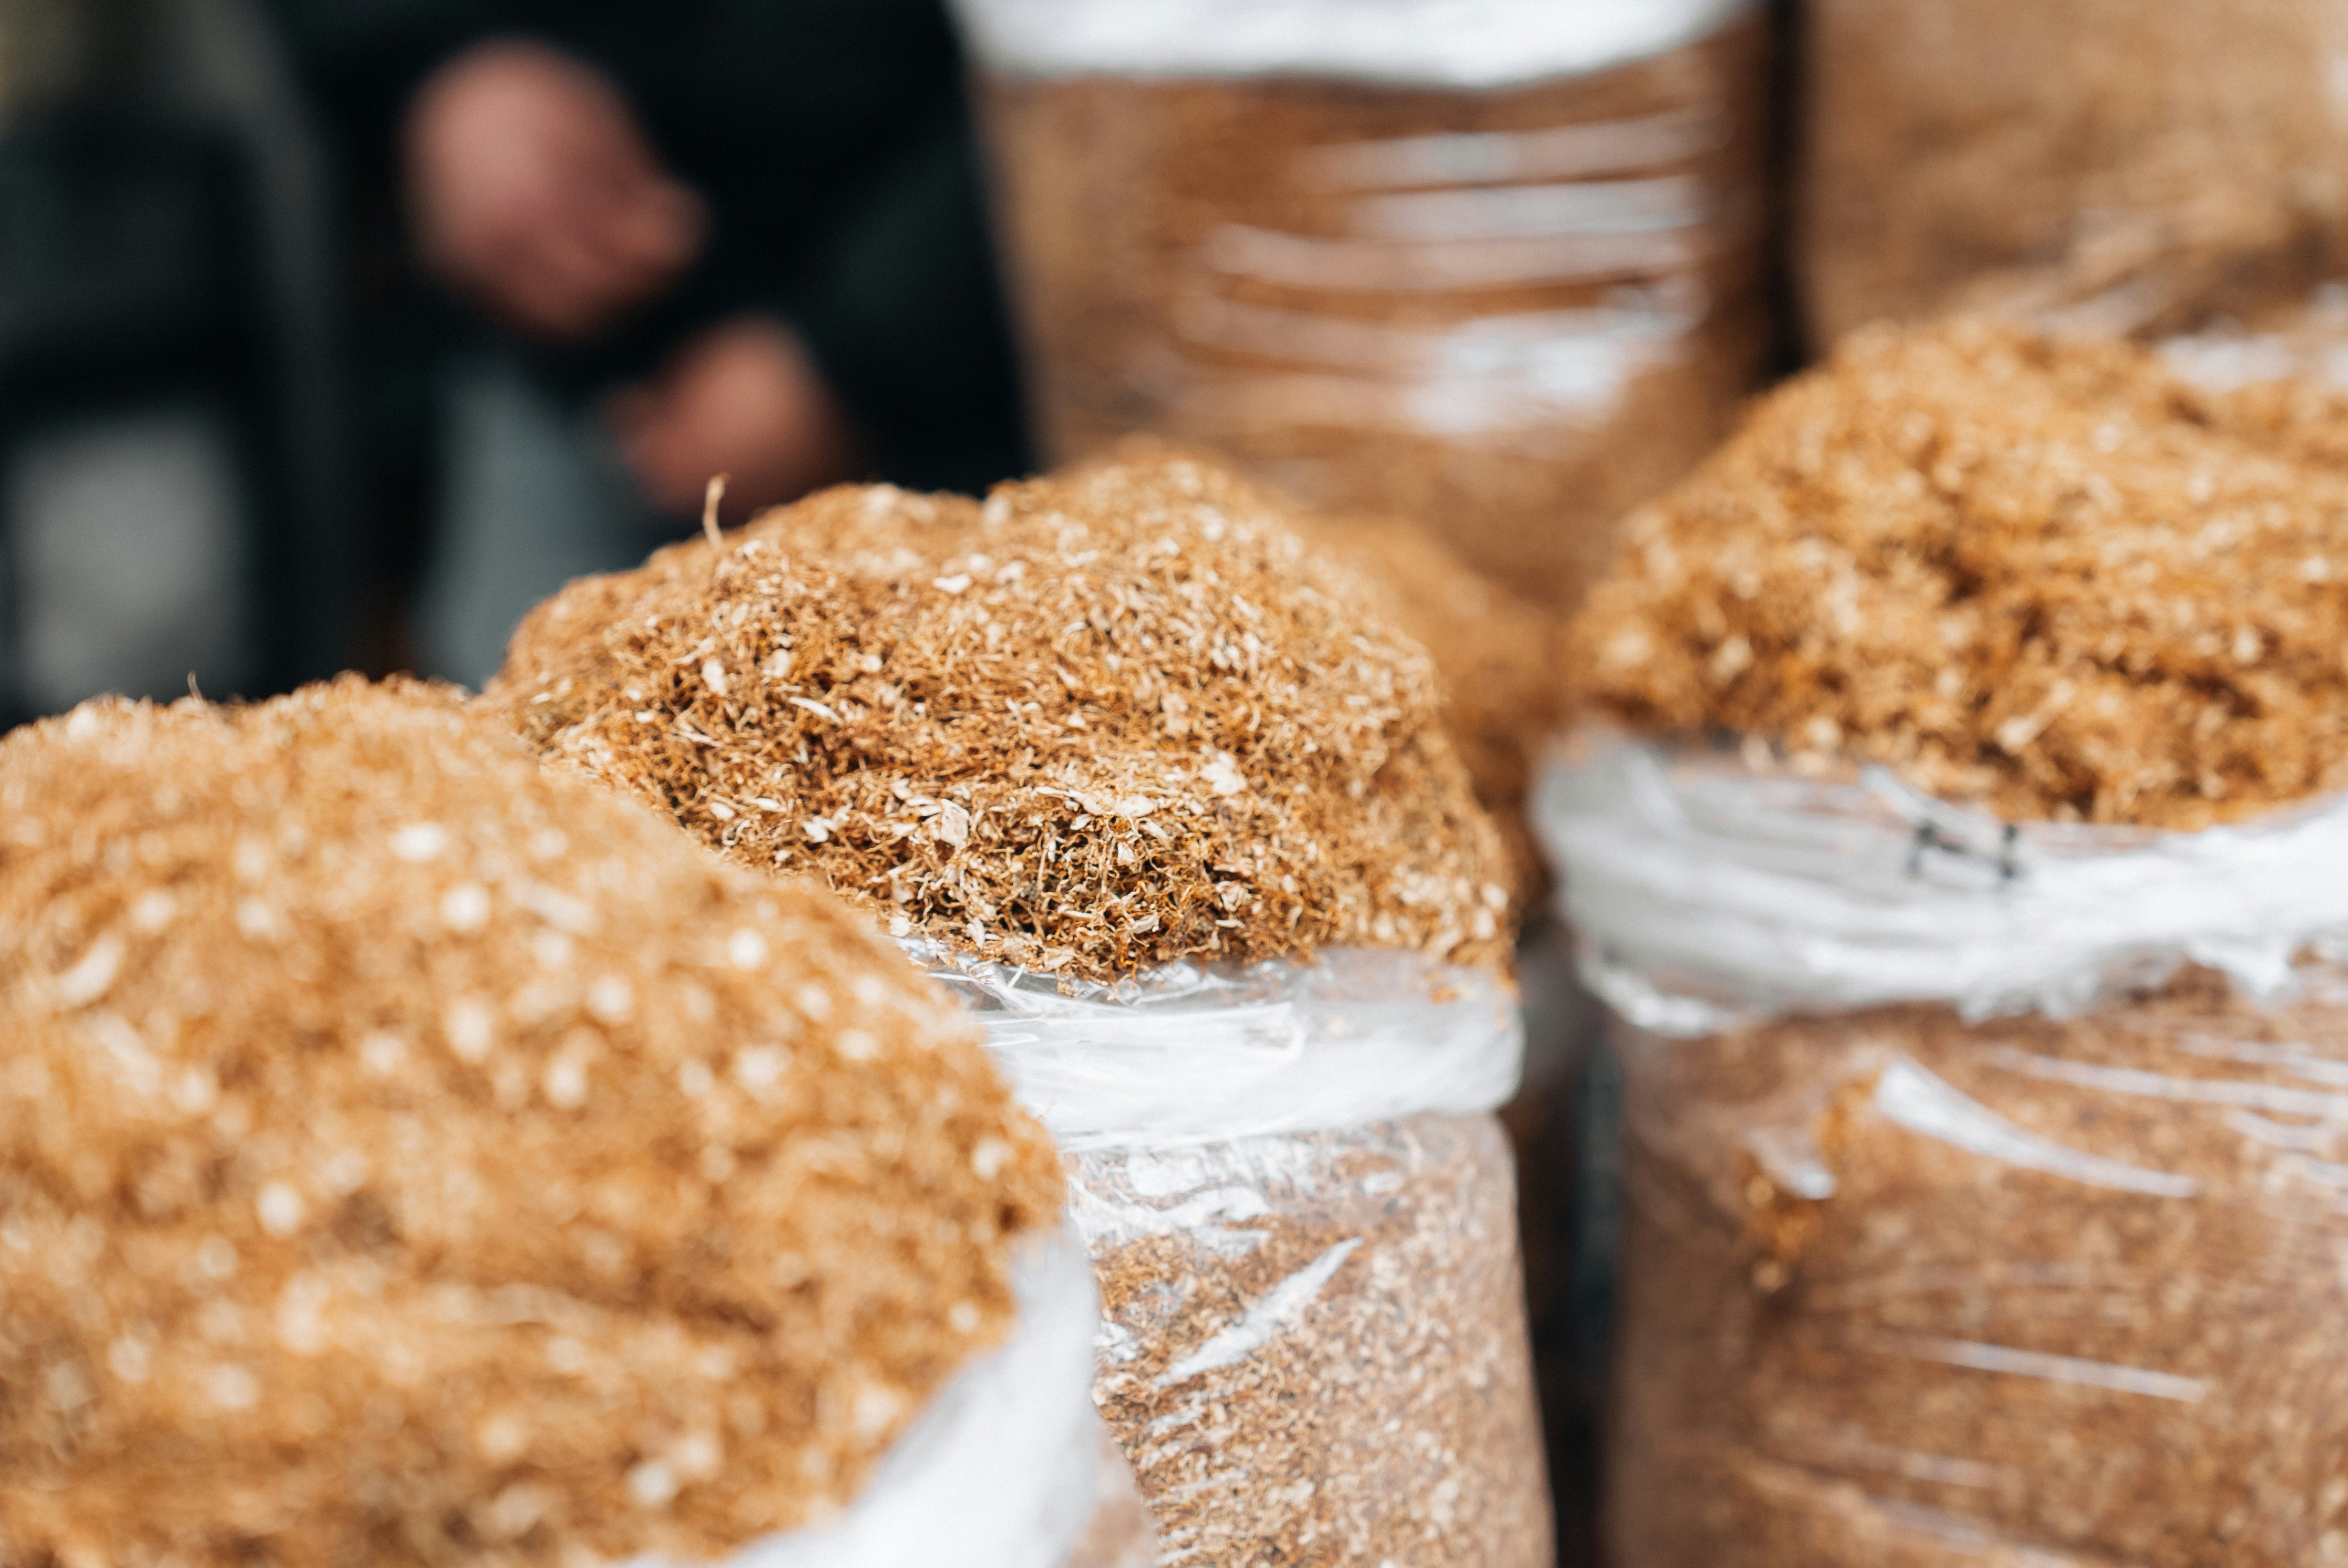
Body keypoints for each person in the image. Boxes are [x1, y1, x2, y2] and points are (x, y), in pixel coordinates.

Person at [261, 0, 1029, 673]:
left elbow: (1108, 61)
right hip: (555, 376)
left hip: (982, 386)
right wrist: (442, 68)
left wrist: (862, 350)